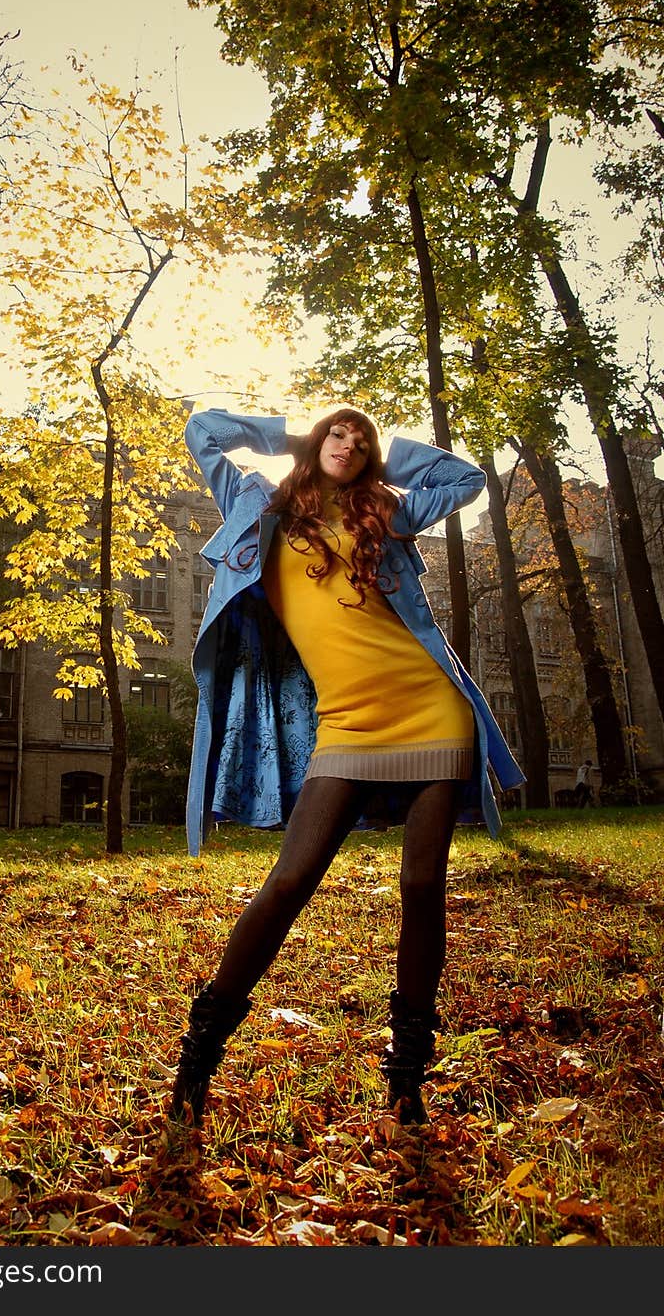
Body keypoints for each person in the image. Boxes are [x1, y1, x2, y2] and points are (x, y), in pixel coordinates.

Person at [168, 405, 525, 1128]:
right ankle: (199, 1054)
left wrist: (383, 460)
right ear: (315, 440)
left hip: (430, 708)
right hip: (346, 724)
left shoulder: (384, 515)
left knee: (423, 884)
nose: (348, 444)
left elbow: (466, 478)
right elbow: (201, 428)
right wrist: (294, 436)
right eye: (338, 432)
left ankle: (406, 1076)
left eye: (359, 440)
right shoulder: (253, 503)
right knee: (290, 879)